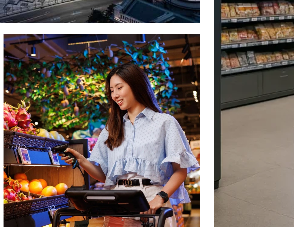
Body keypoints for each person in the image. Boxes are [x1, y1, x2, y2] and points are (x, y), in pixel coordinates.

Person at [62, 63, 199, 227]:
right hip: (117, 202)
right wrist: (82, 161)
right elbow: (105, 176)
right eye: (112, 90)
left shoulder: (164, 123)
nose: (115, 95)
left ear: (136, 85)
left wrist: (160, 197)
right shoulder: (111, 128)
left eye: (119, 88)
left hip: (151, 201)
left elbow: (180, 170)